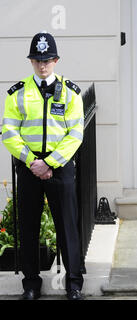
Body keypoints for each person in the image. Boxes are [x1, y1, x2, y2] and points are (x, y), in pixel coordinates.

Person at [1, 32, 84, 300]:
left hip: (59, 167)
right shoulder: (17, 93)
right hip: (29, 166)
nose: (42, 65)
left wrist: (49, 163)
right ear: (31, 61)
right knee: (28, 226)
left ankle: (73, 283)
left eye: (47, 59)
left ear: (56, 60)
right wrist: (31, 161)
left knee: (67, 225)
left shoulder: (70, 92)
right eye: (37, 60)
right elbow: (9, 132)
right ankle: (31, 283)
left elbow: (76, 133)